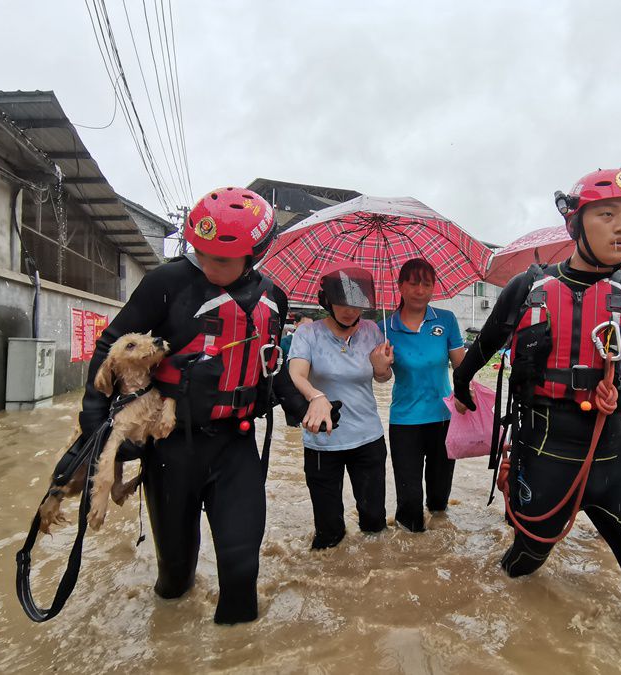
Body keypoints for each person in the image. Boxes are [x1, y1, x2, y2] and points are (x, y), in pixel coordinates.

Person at [452, 169, 621, 645]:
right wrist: (460, 383)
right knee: (522, 566)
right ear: (576, 224)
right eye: (607, 215)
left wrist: (616, 389)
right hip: (545, 456)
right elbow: (485, 347)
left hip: (618, 462)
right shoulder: (526, 288)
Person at [79, 187, 300, 625]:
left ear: (253, 255)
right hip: (170, 449)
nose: (208, 264)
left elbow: (271, 365)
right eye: (201, 253)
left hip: (236, 447)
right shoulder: (167, 283)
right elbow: (112, 344)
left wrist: (305, 403)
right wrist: (94, 419)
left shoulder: (275, 297)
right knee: (174, 581)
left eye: (221, 259)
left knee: (241, 573)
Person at [287, 263, 394, 549]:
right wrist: (316, 396)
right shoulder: (308, 334)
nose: (350, 310)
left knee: (374, 524)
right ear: (327, 301)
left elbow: (383, 379)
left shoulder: (372, 331)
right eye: (342, 302)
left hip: (368, 439)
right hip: (323, 441)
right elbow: (296, 374)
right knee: (328, 533)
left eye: (357, 304)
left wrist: (382, 368)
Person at [379, 258, 465, 532]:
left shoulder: (446, 320)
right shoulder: (385, 328)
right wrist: (381, 365)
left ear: (433, 288)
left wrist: (466, 392)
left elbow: (461, 366)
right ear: (400, 286)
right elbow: (382, 378)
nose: (420, 290)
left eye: (426, 284)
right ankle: (408, 562)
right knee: (410, 503)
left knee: (439, 501)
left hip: (442, 418)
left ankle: (435, 556)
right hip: (404, 422)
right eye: (414, 283)